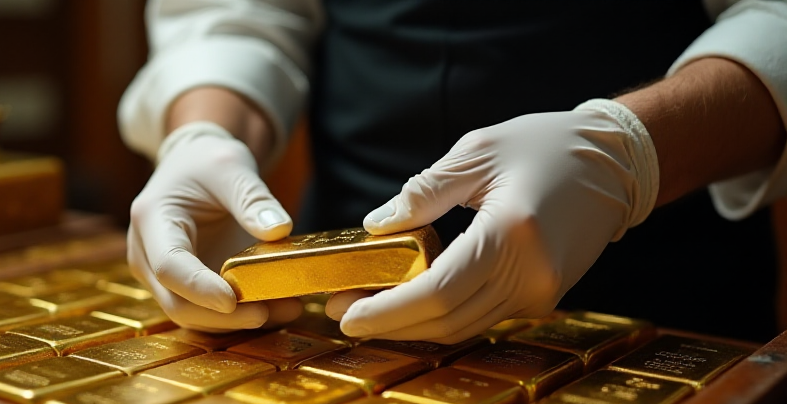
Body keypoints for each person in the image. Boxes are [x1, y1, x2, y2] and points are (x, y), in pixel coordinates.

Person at [117, 0, 787, 343]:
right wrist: (204, 132)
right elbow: (240, 13)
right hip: (339, 309)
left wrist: (627, 152)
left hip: (664, 290)